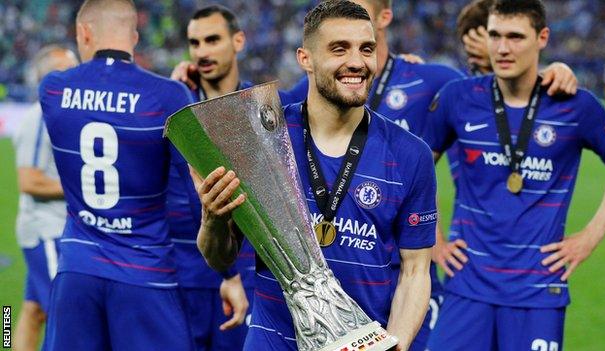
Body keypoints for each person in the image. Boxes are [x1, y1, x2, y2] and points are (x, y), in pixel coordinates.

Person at [192, 1, 436, 350]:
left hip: (361, 344)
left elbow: (415, 272)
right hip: (273, 340)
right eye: (339, 49)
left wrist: (397, 341)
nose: (356, 62)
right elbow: (220, 257)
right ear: (305, 58)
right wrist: (212, 220)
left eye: (366, 49)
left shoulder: (411, 154)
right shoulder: (260, 140)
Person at [425, 1, 605, 350]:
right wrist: (434, 240)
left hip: (539, 292)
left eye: (516, 37)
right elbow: (417, 164)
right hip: (467, 286)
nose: (503, 48)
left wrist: (591, 236)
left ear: (542, 37)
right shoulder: (458, 98)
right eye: (495, 36)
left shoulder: (576, 105)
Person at [39, 1, 197, 349]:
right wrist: (226, 272)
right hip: (146, 270)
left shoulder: (52, 90)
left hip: (77, 268)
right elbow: (196, 194)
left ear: (83, 33)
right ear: (135, 37)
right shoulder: (168, 96)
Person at [166, 5, 253, 351]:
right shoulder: (173, 107)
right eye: (195, 43)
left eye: (212, 40)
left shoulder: (263, 107)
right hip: (180, 277)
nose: (202, 51)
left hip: (242, 276)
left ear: (238, 41)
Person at [11, 45, 77, 351]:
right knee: (64, 313)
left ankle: (6, 339)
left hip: (48, 227)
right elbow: (29, 180)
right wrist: (78, 186)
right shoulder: (40, 117)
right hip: (45, 229)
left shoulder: (56, 114)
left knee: (31, 310)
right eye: (71, 67)